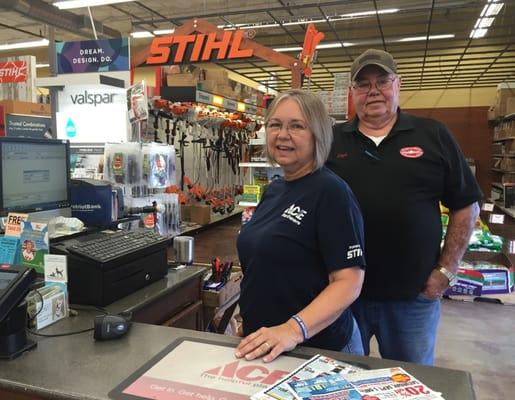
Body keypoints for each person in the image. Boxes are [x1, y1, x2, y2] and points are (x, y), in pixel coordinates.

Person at [326, 49, 482, 365]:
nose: (373, 91)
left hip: (413, 297)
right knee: (339, 379)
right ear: (353, 93)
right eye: (363, 84)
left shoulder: (433, 134)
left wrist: (446, 271)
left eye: (382, 81)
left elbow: (466, 205)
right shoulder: (331, 140)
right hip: (342, 296)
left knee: (411, 380)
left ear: (398, 85)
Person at [235, 89, 366, 363]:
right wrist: (246, 312)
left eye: (297, 126)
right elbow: (263, 262)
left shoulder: (331, 192)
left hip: (318, 349)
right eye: (275, 125)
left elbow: (349, 282)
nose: (283, 134)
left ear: (318, 134)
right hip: (266, 344)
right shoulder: (274, 190)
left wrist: (292, 329)